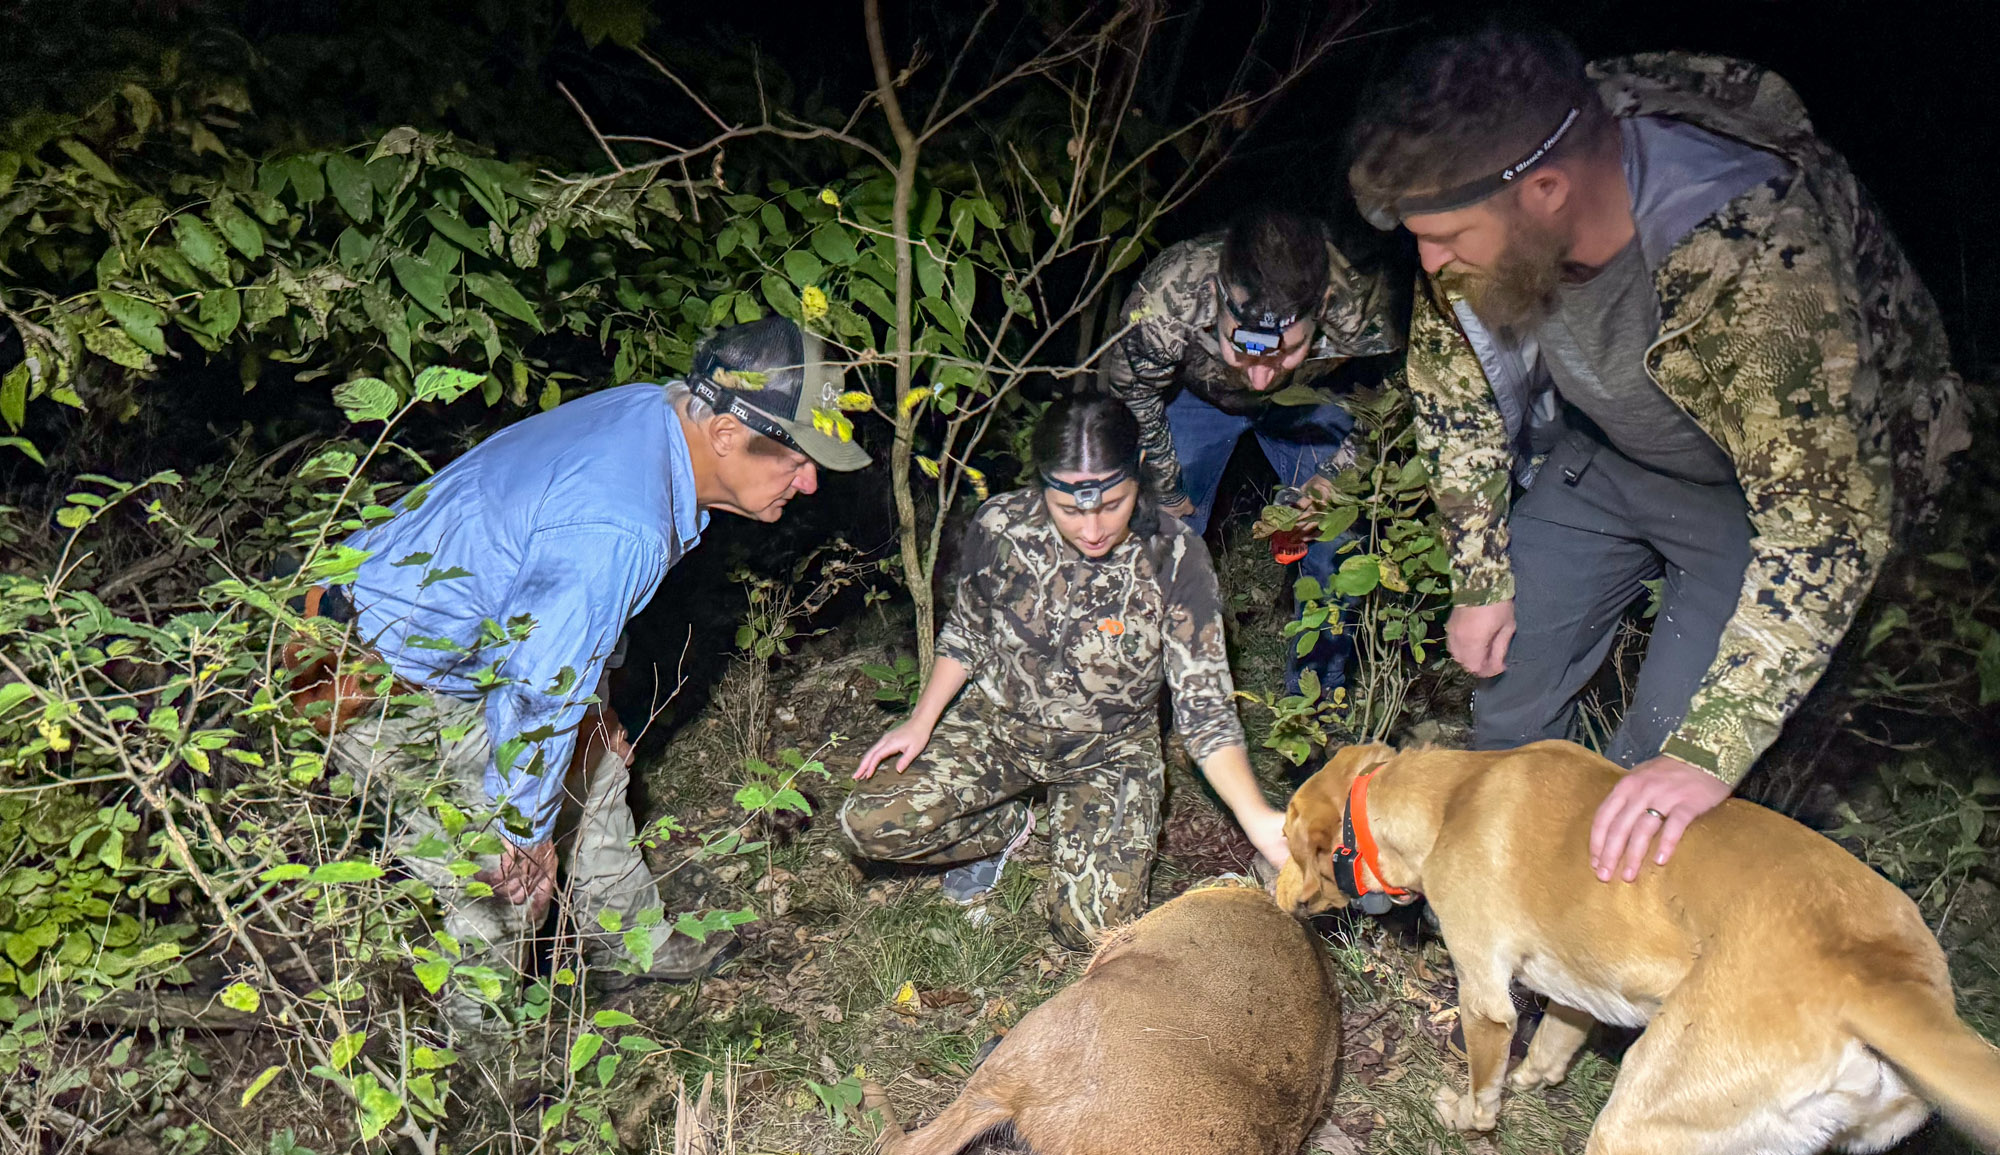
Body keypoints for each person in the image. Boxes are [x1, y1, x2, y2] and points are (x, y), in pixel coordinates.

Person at [1346, 31, 1965, 883]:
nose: (1429, 261)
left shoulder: (1758, 259)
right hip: (1604, 454)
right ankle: (1501, 898)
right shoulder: (1488, 203)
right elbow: (1457, 396)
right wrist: (1482, 579)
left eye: (1447, 235)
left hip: (1749, 504)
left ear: (1547, 191)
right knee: (1508, 692)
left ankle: (1594, 956)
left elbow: (1827, 521)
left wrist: (1709, 750)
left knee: (1656, 778)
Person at [310, 317, 869, 1022]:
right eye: (796, 456)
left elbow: (562, 613)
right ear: (726, 434)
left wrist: (594, 708)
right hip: (382, 671)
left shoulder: (656, 414)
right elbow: (539, 682)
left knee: (594, 771)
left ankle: (636, 948)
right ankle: (487, 1071)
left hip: (481, 646)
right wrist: (524, 832)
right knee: (497, 878)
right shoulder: (620, 520)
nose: (810, 482)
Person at [840, 393, 1291, 950]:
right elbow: (970, 629)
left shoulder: (1176, 556)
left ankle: (1076, 835)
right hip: (998, 726)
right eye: (1071, 511)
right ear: (1043, 489)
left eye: (1113, 503)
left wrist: (1255, 817)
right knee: (868, 823)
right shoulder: (1001, 525)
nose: (1094, 528)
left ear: (1140, 476)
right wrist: (920, 720)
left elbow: (1205, 709)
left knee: (1094, 932)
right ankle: (1005, 829)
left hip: (1109, 749)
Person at [1101, 206, 1402, 695]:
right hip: (1200, 398)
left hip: (1309, 401)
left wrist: (1341, 474)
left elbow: (1404, 387)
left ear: (1322, 307)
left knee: (1336, 536)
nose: (1261, 373)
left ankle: (1315, 706)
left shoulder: (1362, 305)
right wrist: (1166, 482)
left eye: (1286, 349)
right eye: (1242, 347)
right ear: (1218, 299)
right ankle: (1141, 694)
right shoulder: (1166, 299)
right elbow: (1133, 393)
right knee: (1156, 532)